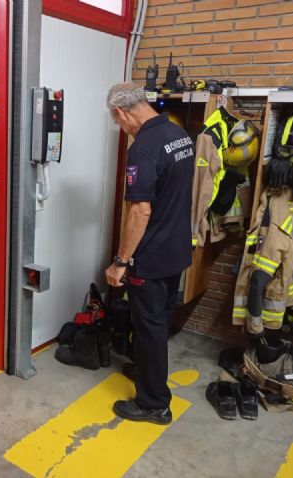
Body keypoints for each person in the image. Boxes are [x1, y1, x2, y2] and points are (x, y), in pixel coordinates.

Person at [105, 83, 194, 425]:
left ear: (121, 112)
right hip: (176, 251)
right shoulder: (178, 133)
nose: (123, 130)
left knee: (150, 327)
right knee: (158, 322)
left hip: (152, 257)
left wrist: (121, 261)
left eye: (120, 124)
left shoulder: (143, 148)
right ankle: (148, 373)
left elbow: (140, 210)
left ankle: (154, 403)